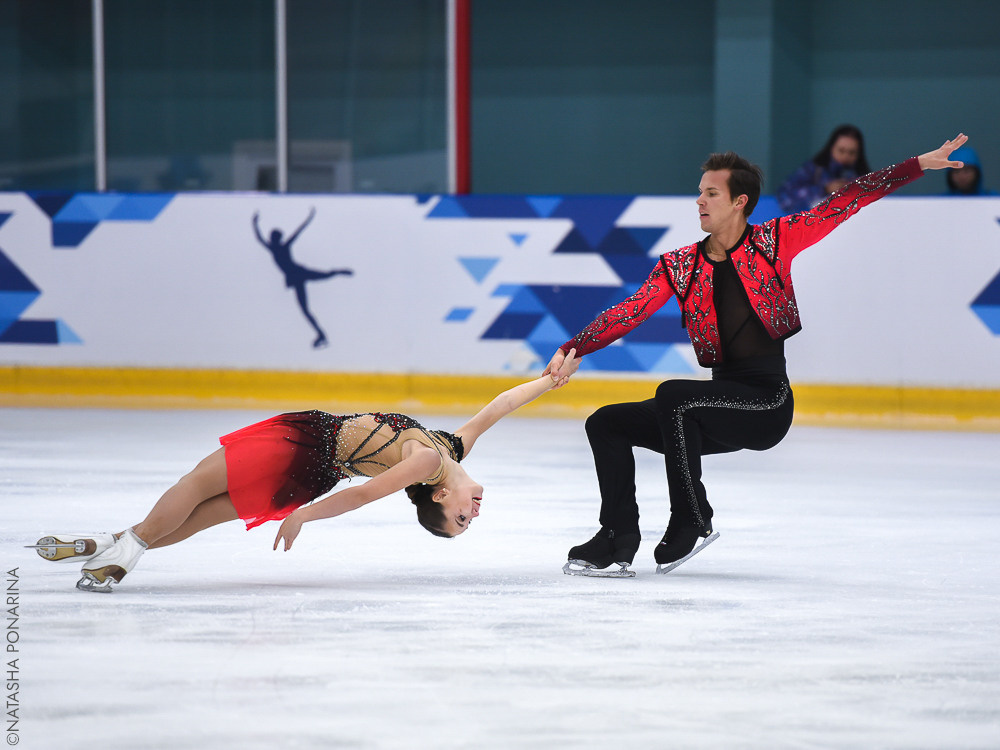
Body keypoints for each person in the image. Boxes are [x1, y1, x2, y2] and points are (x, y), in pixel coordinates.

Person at [546, 134, 969, 577]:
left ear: (739, 201)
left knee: (673, 395)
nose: (700, 201)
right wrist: (571, 347)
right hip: (709, 410)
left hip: (765, 403)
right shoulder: (680, 265)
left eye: (711, 193)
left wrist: (916, 165)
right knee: (606, 423)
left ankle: (692, 515)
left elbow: (848, 199)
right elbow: (630, 312)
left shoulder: (775, 242)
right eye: (699, 192)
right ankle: (616, 538)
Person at [31, 353, 579, 592]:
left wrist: (304, 517)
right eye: (468, 520)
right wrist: (548, 381)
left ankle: (121, 554)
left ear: (438, 496)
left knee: (197, 485)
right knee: (204, 516)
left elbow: (365, 495)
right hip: (316, 469)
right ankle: (108, 545)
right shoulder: (454, 446)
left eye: (460, 521)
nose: (472, 515)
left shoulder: (429, 463)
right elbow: (500, 406)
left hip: (307, 446)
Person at [252, 208, 354, 349]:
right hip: (294, 277)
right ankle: (321, 334)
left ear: (276, 238)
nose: (271, 238)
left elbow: (297, 231)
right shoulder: (274, 248)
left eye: (273, 237)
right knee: (305, 308)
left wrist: (309, 218)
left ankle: (338, 272)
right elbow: (260, 238)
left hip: (297, 273)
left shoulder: (280, 247)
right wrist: (254, 223)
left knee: (321, 279)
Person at [776, 124, 871, 214]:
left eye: (851, 152)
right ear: (831, 148)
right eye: (841, 150)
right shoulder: (814, 170)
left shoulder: (865, 178)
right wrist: (824, 189)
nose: (845, 156)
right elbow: (785, 199)